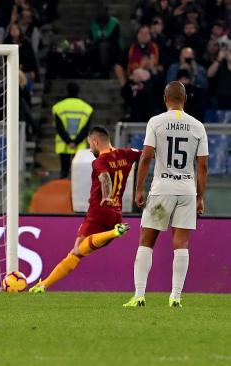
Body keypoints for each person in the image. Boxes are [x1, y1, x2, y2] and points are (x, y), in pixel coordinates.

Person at [123, 81, 208, 308]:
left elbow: (147, 156)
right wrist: (200, 196)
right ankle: (176, 297)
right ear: (185, 99)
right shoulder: (197, 126)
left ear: (165, 98)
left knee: (146, 241)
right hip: (187, 191)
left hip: (162, 191)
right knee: (181, 243)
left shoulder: (156, 122)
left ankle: (139, 295)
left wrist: (139, 188)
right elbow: (202, 166)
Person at [29, 126, 141, 293]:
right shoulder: (126, 153)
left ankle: (43, 285)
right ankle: (43, 285)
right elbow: (146, 153)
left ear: (96, 141)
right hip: (116, 214)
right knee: (78, 251)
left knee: (76, 252)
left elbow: (104, 178)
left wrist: (106, 196)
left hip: (98, 211)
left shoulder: (99, 162)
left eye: (90, 145)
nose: (90, 149)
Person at [53, 82, 93, 178]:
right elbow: (86, 129)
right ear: (78, 91)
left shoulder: (58, 107)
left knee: (64, 171)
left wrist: (68, 141)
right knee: (78, 174)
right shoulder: (87, 108)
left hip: (63, 145)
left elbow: (59, 128)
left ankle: (62, 191)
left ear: (67, 91)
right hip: (79, 145)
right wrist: (76, 141)